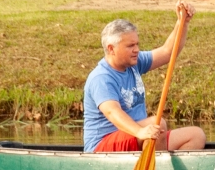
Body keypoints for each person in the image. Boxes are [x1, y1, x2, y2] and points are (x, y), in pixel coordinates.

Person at [83, 8, 208, 153]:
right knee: (158, 123)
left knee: (196, 136)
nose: (136, 49)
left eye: (137, 44)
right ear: (111, 49)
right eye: (130, 46)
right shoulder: (102, 78)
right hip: (103, 146)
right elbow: (112, 112)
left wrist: (182, 22)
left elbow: (168, 52)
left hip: (138, 136)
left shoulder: (134, 62)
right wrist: (139, 132)